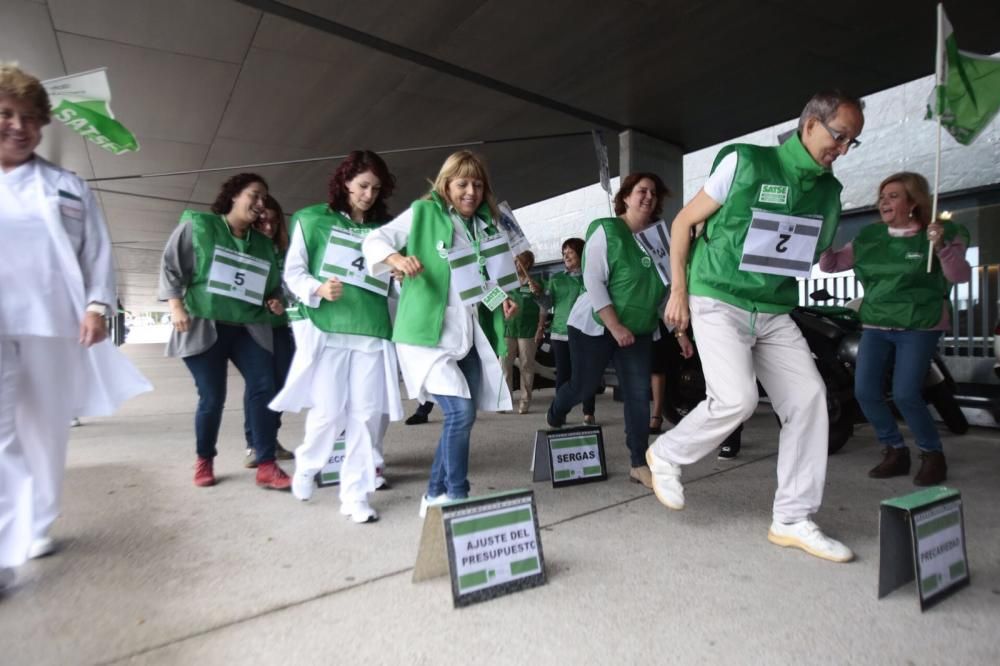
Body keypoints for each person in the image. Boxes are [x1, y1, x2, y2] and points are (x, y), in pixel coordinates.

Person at [647, 90, 865, 563]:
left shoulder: (829, 192)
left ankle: (792, 519)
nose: (844, 149)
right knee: (737, 399)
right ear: (810, 124)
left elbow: (819, 254)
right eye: (839, 135)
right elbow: (684, 222)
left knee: (809, 400)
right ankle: (665, 455)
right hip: (717, 296)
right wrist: (679, 290)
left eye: (853, 142)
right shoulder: (744, 162)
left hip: (772, 307)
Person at [0, 64, 151, 590]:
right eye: (5, 114)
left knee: (43, 431)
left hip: (50, 322)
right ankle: (3, 543)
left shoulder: (66, 186)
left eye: (29, 118)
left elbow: (97, 252)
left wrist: (95, 306)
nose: (18, 125)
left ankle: (37, 521)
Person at [362, 150, 517, 517]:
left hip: (466, 336)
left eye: (477, 184)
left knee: (461, 418)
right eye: (462, 183)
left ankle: (434, 494)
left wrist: (502, 300)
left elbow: (480, 285)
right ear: (446, 185)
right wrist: (396, 260)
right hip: (424, 336)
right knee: (460, 414)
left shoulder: (485, 227)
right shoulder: (422, 213)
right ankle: (458, 497)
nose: (470, 192)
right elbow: (374, 240)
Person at [270, 150, 403, 523]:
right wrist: (317, 288)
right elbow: (293, 273)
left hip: (372, 332)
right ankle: (309, 463)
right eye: (362, 186)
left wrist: (397, 279)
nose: (368, 195)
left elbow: (392, 289)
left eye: (376, 188)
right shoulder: (312, 220)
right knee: (328, 412)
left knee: (364, 417)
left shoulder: (385, 232)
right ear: (345, 182)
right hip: (328, 330)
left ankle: (356, 495)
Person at [820, 172, 970, 486]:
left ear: (913, 202)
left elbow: (959, 277)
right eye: (882, 196)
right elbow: (831, 266)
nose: (884, 202)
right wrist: (823, 239)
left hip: (920, 325)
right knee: (865, 392)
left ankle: (932, 454)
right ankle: (895, 450)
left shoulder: (940, 234)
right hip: (876, 324)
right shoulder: (870, 237)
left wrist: (940, 246)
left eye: (894, 196)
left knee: (905, 393)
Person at [546, 173, 680, 489]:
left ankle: (638, 462)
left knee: (637, 393)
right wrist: (615, 326)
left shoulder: (660, 240)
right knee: (584, 386)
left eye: (654, 192)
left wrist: (679, 331)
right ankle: (558, 409)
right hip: (595, 325)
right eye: (641, 191)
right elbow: (593, 280)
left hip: (639, 329)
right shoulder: (606, 230)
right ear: (626, 196)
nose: (648, 197)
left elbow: (664, 290)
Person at [159, 173, 291, 490]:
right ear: (233, 195)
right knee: (212, 396)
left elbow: (273, 286)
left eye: (264, 199)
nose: (260, 204)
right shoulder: (200, 227)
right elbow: (171, 266)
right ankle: (204, 459)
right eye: (254, 195)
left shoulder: (262, 244)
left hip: (248, 327)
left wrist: (276, 301)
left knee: (264, 386)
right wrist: (175, 305)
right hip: (204, 325)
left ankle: (266, 462)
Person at [243, 195, 295, 468]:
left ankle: (270, 438)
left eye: (274, 222)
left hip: (283, 326)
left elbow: (293, 287)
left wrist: (282, 304)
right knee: (259, 385)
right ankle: (255, 444)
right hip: (254, 327)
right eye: (262, 222)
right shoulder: (248, 248)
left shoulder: (286, 250)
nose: (268, 227)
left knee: (282, 384)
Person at [542, 238, 596, 425]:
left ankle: (588, 412)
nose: (566, 256)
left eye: (570, 252)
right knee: (563, 375)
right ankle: (559, 412)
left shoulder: (591, 276)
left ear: (581, 254)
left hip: (585, 332)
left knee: (586, 373)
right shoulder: (556, 279)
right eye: (564, 253)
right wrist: (538, 295)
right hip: (559, 332)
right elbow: (547, 304)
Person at [502, 250, 545, 414]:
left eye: (518, 262)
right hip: (508, 329)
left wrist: (540, 327)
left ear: (527, 264)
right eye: (514, 262)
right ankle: (505, 400)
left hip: (527, 330)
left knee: (527, 365)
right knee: (504, 365)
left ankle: (525, 401)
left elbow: (543, 304)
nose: (515, 265)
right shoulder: (506, 283)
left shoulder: (534, 283)